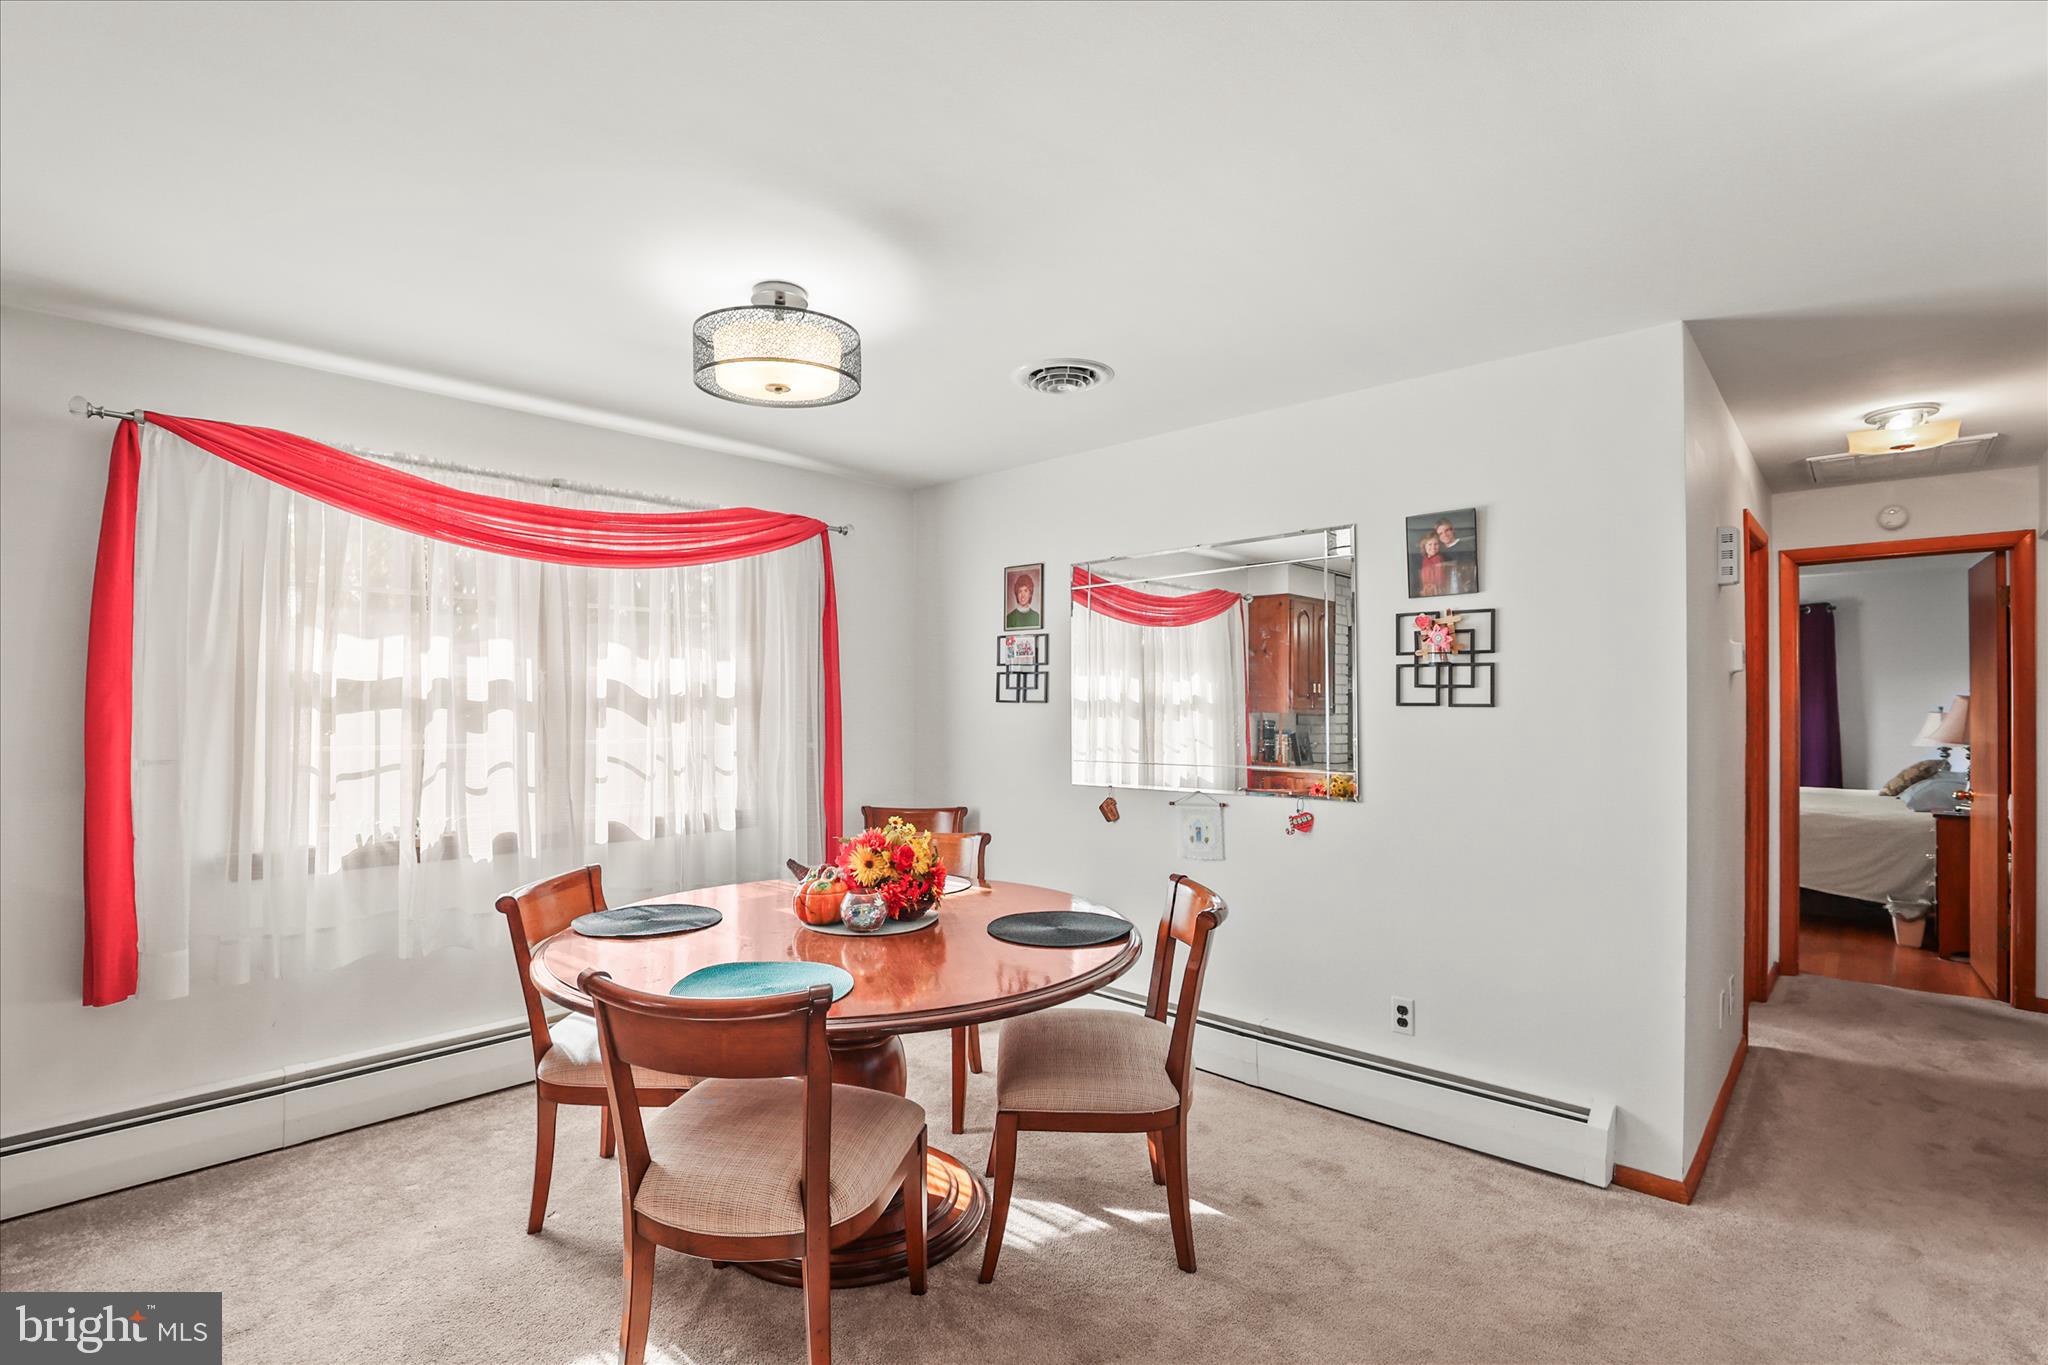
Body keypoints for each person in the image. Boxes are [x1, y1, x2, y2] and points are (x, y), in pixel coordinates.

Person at [1432, 516, 1477, 594]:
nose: (1444, 535)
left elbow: (1469, 570)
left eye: (1447, 530)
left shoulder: (1465, 547)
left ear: (1453, 530)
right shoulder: (1438, 550)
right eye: (1440, 533)